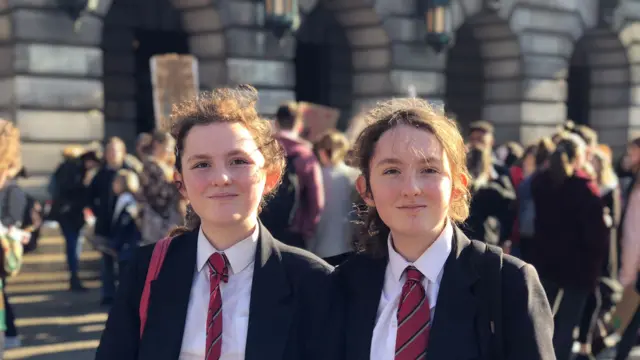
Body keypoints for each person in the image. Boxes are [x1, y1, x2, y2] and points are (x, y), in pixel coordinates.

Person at [96, 86, 336, 360]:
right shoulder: (145, 270)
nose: (221, 177)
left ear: (270, 176)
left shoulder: (313, 281)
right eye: (201, 165)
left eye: (238, 161)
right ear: (180, 183)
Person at [335, 98, 555, 360]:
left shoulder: (508, 284)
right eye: (392, 171)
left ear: (458, 186)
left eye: (429, 170)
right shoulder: (341, 285)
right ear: (366, 190)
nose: (411, 189)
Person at [530, 134, 608, 360]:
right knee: (567, 325)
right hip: (579, 265)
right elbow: (596, 234)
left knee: (542, 320)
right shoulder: (585, 189)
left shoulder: (540, 182)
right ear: (578, 158)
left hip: (546, 260)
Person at [260, 102, 324, 248]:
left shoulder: (264, 150)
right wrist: (307, 229)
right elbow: (316, 200)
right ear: (299, 124)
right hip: (293, 232)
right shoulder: (305, 155)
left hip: (263, 229)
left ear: (276, 122)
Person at [310, 130, 360, 266]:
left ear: (322, 151)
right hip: (347, 243)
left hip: (316, 244)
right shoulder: (355, 176)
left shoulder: (315, 174)